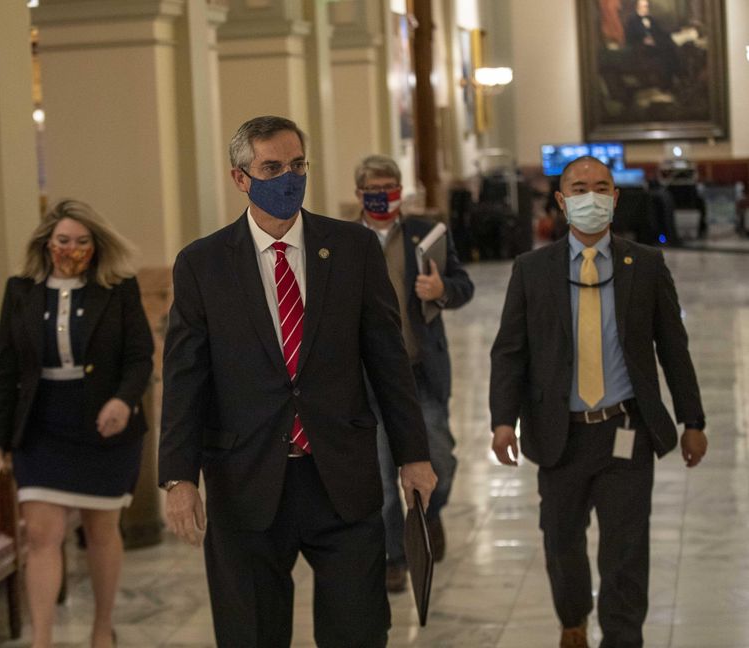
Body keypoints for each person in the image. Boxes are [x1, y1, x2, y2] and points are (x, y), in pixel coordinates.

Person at [158, 115, 437, 647]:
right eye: (272, 167)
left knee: (358, 631)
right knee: (252, 633)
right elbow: (185, 377)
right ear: (241, 178)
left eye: (297, 165)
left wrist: (413, 454)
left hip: (340, 473)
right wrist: (178, 477)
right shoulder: (203, 264)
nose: (289, 177)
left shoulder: (352, 248)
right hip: (246, 480)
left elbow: (387, 361)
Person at [489, 156, 707, 648]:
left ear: (615, 197)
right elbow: (509, 352)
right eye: (579, 188)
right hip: (557, 430)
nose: (591, 196)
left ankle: (623, 637)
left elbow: (673, 348)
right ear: (562, 201)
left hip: (625, 430)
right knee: (561, 542)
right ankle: (573, 618)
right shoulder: (531, 269)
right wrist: (503, 421)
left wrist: (693, 419)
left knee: (626, 549)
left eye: (601, 187)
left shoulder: (646, 265)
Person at [0, 200, 154, 648]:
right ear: (46, 243)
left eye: (81, 242)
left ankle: (101, 629)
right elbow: (6, 369)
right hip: (41, 424)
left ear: (96, 246)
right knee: (42, 534)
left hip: (104, 424)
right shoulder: (20, 290)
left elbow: (139, 358)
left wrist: (123, 400)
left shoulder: (118, 288)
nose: (71, 249)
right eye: (63, 241)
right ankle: (42, 640)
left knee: (100, 531)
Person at [352, 154, 474, 592]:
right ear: (359, 193)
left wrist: (443, 291)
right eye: (373, 188)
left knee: (439, 456)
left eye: (389, 186)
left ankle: (431, 511)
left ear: (401, 190)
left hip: (420, 370)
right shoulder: (344, 240)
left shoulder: (428, 234)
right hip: (369, 378)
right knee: (385, 474)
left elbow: (464, 286)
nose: (382, 195)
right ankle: (395, 555)